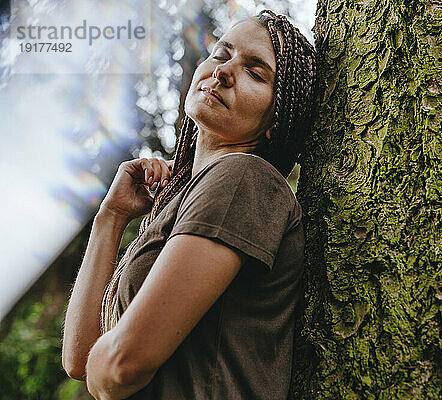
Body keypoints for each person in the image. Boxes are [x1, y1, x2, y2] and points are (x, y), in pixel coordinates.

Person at [61, 9, 318, 399]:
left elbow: (120, 365)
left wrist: (113, 357)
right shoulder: (185, 198)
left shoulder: (244, 179)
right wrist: (109, 218)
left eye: (255, 72)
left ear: (275, 120)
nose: (224, 72)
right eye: (221, 53)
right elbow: (80, 360)